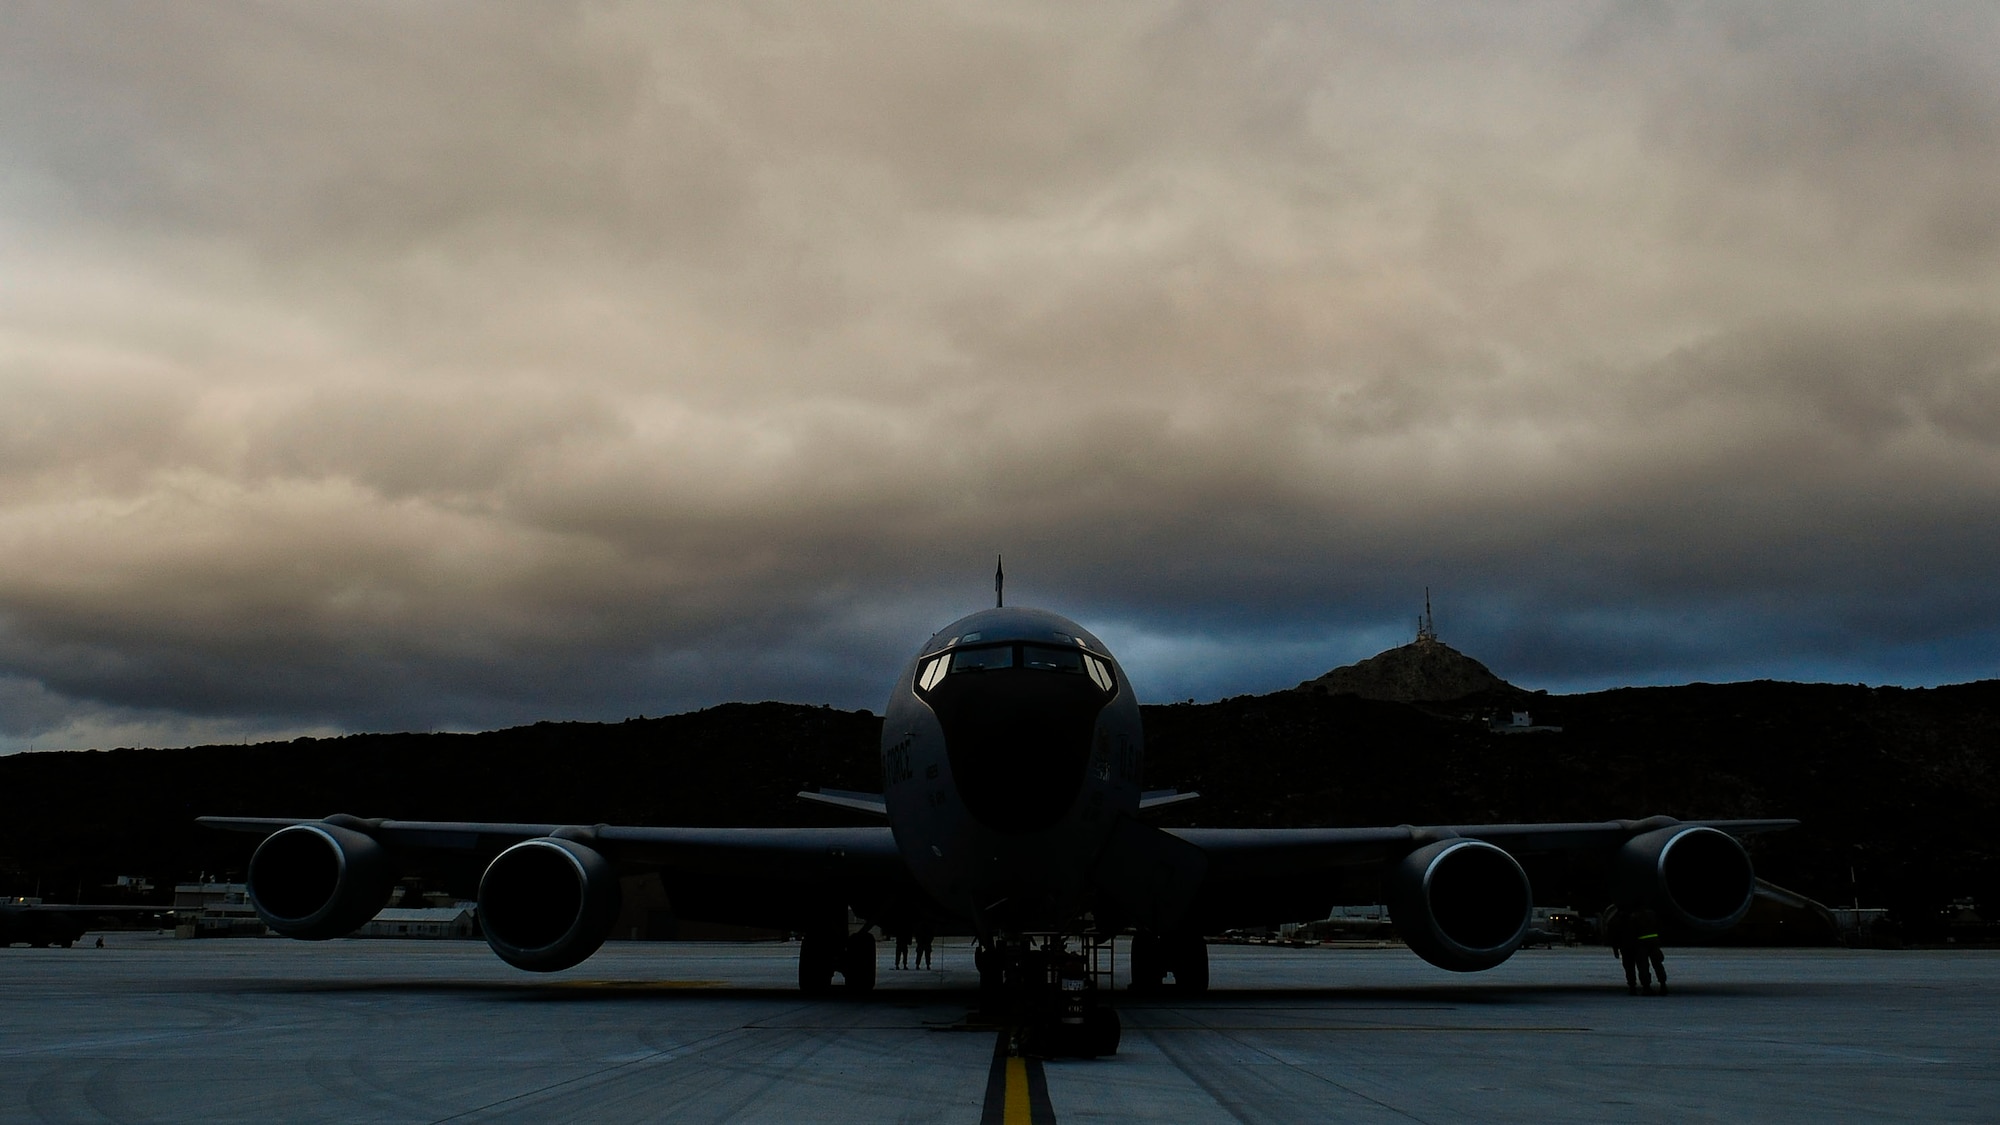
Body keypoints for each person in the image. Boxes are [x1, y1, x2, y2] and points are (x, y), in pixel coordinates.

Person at [1608, 904, 1668, 995]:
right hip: (1650, 943)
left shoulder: (1622, 919)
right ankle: (1661, 985)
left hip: (1633, 945)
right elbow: (1660, 927)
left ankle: (1638, 987)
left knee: (1635, 967)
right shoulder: (1651, 914)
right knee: (1656, 964)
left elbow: (1615, 935)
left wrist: (1616, 949)